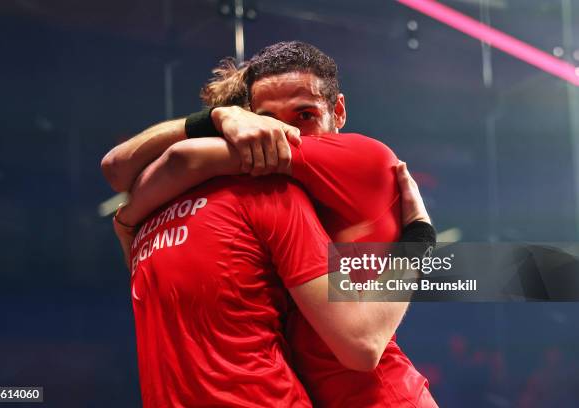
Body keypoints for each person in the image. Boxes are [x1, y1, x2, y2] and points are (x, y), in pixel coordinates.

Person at [102, 41, 437, 406]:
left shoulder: (365, 159)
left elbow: (182, 158)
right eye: (266, 121)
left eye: (305, 115)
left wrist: (419, 240)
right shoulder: (269, 190)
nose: (281, 134)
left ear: (338, 112)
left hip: (387, 395)